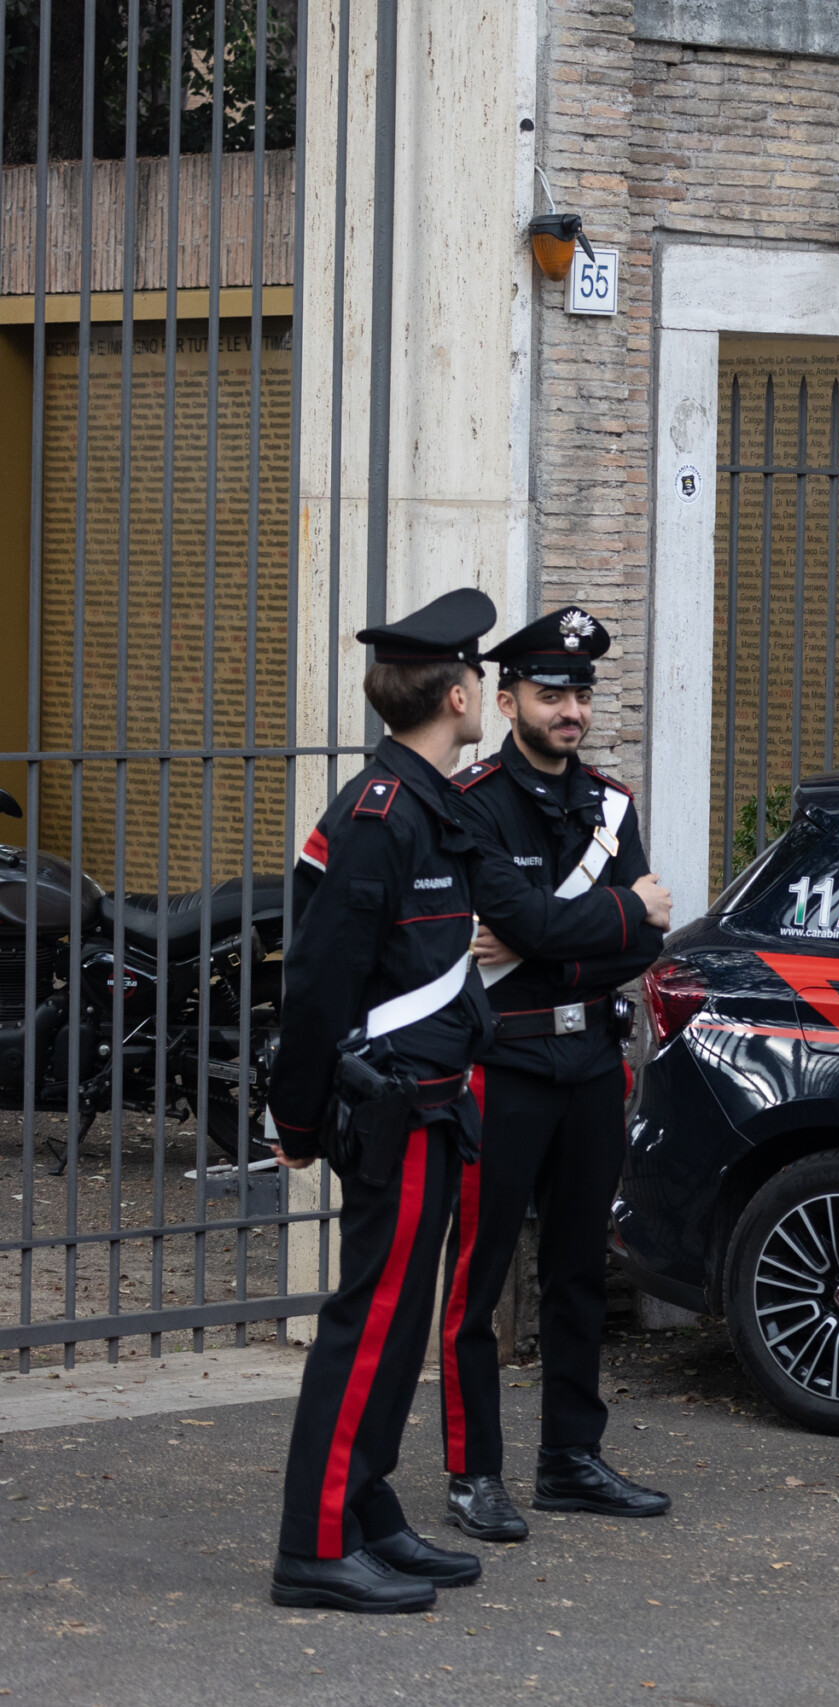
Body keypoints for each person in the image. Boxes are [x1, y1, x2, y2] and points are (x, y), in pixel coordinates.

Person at [267, 588, 501, 1614]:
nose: (483, 688)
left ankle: (364, 1509)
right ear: (457, 694)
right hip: (395, 1113)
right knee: (367, 1325)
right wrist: (296, 1118)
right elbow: (318, 981)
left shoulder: (428, 805)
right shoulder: (378, 816)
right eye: (479, 675)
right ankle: (315, 1544)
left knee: (400, 1330)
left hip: (436, 1106)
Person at [440, 608, 676, 1543]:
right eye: (551, 694)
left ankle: (571, 1458)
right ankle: (473, 1473)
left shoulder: (611, 805)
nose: (571, 709)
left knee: (579, 1269)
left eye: (580, 692)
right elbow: (535, 923)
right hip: (502, 1062)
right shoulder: (473, 803)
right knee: (480, 1276)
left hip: (588, 1064)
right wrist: (616, 913)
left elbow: (644, 944)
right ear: (507, 703)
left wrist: (554, 936)